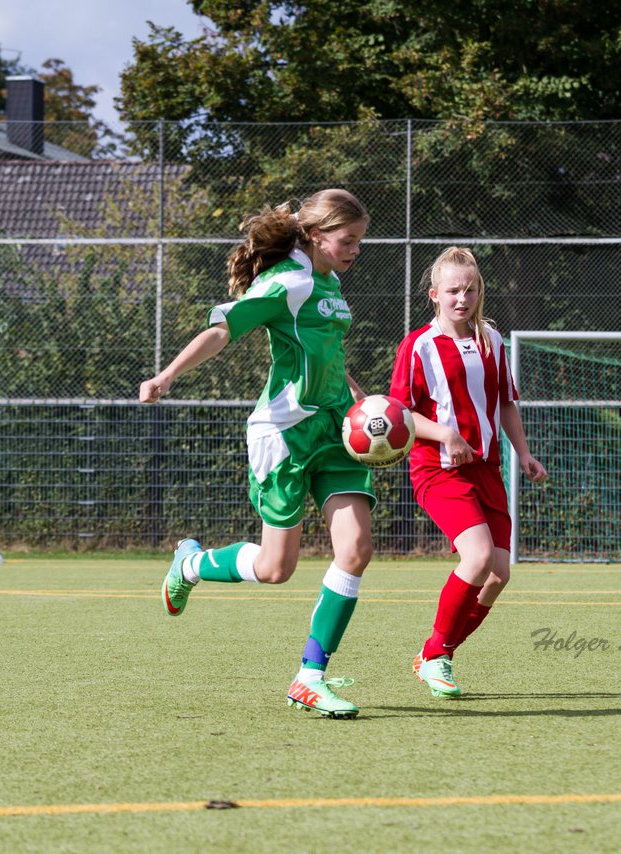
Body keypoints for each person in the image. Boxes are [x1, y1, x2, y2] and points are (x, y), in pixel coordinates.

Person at [138, 188, 375, 718]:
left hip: (334, 431)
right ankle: (192, 564)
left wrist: (360, 398)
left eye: (360, 240)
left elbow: (326, 353)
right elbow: (223, 329)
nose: (356, 249)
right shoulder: (285, 283)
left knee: (356, 547)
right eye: (348, 239)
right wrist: (167, 375)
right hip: (284, 434)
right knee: (275, 569)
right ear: (316, 236)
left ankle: (309, 677)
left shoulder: (329, 282)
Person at [389, 247, 548, 697]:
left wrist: (525, 453)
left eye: (471, 288)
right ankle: (437, 655)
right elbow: (399, 413)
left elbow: (505, 402)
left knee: (498, 575)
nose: (463, 297)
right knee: (476, 559)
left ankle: (435, 655)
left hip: (486, 468)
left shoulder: (492, 341)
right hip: (437, 469)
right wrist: (445, 435)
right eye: (453, 290)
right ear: (434, 294)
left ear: (480, 291)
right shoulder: (418, 345)